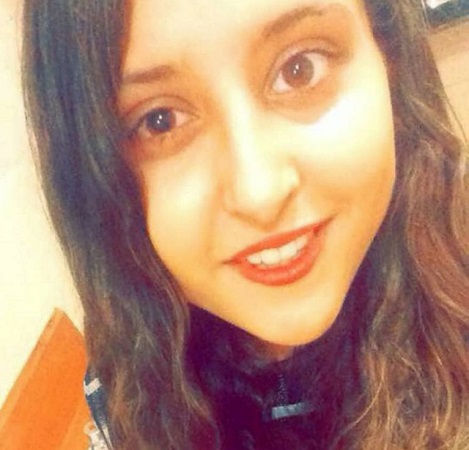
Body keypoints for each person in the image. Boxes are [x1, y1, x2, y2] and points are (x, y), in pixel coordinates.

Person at [21, 0, 468, 448]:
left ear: (388, 56)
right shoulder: (126, 379)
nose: (260, 193)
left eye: (299, 69)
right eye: (160, 121)